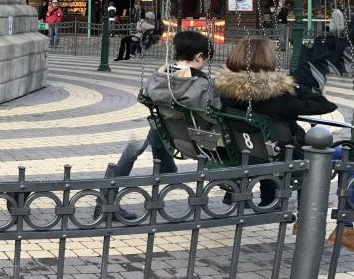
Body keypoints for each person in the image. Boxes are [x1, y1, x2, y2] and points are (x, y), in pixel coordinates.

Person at [212, 36, 337, 208]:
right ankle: (307, 212)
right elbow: (325, 106)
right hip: (285, 154)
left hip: (248, 151)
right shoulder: (275, 97)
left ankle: (269, 202)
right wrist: (299, 88)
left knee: (267, 145)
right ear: (267, 60)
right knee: (333, 154)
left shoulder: (227, 92)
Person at [107, 29, 214, 179]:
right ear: (199, 57)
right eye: (206, 60)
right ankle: (168, 174)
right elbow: (208, 113)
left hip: (164, 131)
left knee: (153, 130)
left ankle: (114, 179)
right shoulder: (199, 83)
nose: (205, 64)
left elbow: (146, 95)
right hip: (190, 140)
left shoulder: (158, 75)